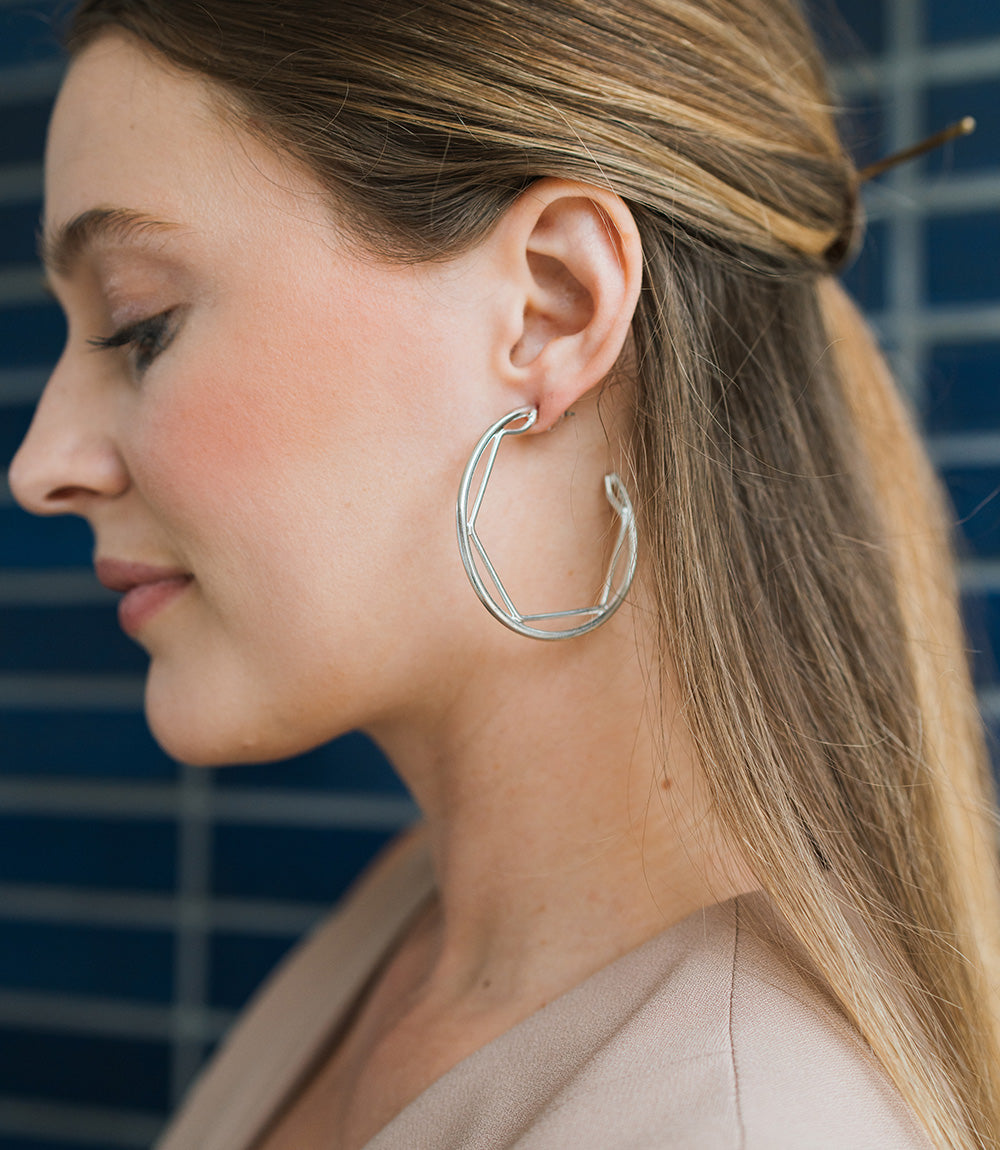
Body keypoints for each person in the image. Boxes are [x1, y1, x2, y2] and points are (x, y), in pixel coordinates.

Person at [8, 0, 1000, 1146]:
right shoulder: (415, 923)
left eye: (141, 325)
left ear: (551, 305)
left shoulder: (737, 1120)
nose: (41, 465)